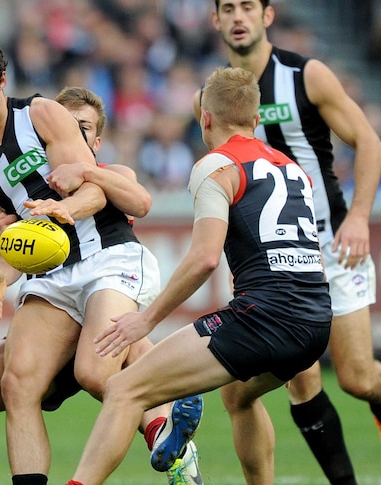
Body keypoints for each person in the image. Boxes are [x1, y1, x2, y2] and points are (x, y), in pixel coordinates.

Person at [0, 26, 197, 485]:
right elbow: (5, 245)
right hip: (51, 278)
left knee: (97, 372)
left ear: (2, 79)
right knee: (16, 384)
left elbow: (96, 193)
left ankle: (168, 428)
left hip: (106, 256)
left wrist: (63, 208)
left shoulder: (41, 114)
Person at [66, 65, 333, 485]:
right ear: (256, 119)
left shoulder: (215, 166)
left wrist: (145, 319)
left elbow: (204, 258)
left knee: (124, 390)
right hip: (316, 318)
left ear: (205, 118)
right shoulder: (291, 167)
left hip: (266, 317)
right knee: (238, 394)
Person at [199, 1, 381, 481]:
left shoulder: (304, 76)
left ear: (267, 16)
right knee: (302, 376)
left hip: (334, 244)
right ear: (215, 20)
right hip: (278, 259)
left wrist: (358, 216)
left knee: (357, 377)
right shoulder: (214, 96)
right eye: (228, 8)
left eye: (248, 7)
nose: (238, 17)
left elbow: (370, 142)